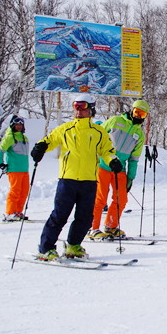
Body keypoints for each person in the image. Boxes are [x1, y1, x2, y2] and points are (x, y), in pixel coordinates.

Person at [31, 93, 119, 260]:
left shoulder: (99, 132)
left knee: (85, 217)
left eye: (82, 107)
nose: (78, 111)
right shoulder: (65, 128)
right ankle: (45, 248)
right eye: (75, 107)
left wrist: (113, 161)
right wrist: (40, 147)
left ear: (91, 109)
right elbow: (50, 140)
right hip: (68, 180)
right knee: (59, 215)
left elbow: (107, 151)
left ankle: (73, 246)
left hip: (89, 181)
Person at [88, 99, 148, 240]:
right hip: (103, 164)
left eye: (143, 114)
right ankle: (92, 227)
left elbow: (134, 159)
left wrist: (130, 178)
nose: (139, 116)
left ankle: (111, 226)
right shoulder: (116, 121)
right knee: (100, 198)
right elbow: (99, 134)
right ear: (132, 110)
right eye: (137, 112)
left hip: (120, 169)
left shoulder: (139, 135)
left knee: (122, 198)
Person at [0, 115, 30, 221]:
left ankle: (18, 212)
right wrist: (1, 163)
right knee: (15, 191)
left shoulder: (25, 138)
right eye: (16, 125)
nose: (19, 127)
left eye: (20, 125)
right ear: (12, 125)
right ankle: (10, 213)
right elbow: (0, 151)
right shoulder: (9, 137)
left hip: (24, 169)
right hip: (14, 169)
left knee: (24, 191)